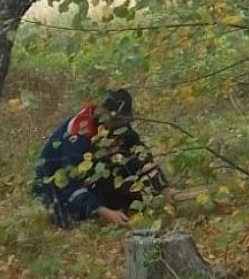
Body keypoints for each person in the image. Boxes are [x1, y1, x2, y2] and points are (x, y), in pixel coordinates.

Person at [32, 88, 168, 229]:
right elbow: (70, 182)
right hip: (55, 185)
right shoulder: (79, 133)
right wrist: (103, 211)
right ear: (103, 113)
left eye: (123, 120)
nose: (121, 125)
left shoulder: (120, 127)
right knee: (72, 221)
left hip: (90, 176)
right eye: (116, 120)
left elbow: (141, 158)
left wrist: (163, 187)